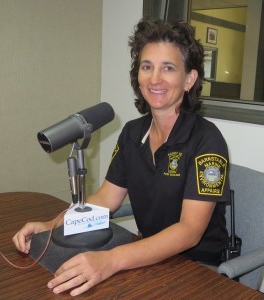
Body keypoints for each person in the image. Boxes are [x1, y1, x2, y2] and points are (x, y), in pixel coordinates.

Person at [13, 18, 230, 296]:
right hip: (145, 254)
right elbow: (105, 200)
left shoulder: (207, 140)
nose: (154, 79)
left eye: (168, 68)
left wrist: (111, 260)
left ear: (189, 79)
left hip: (197, 267)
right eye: (147, 66)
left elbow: (189, 231)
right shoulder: (132, 133)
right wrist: (50, 226)